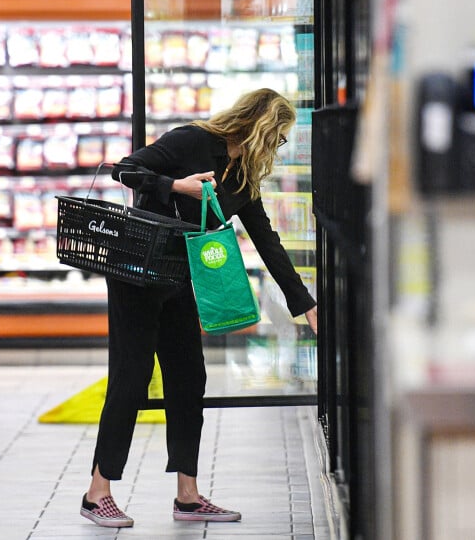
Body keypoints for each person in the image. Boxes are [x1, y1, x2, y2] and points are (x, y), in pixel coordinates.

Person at [80, 88, 318, 528]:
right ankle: (98, 493)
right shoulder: (191, 140)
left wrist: (306, 305)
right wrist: (177, 185)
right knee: (131, 380)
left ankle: (187, 497)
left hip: (183, 279)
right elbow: (126, 170)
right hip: (138, 274)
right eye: (277, 136)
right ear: (257, 125)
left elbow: (267, 241)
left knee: (189, 381)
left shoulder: (241, 173)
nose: (276, 146)